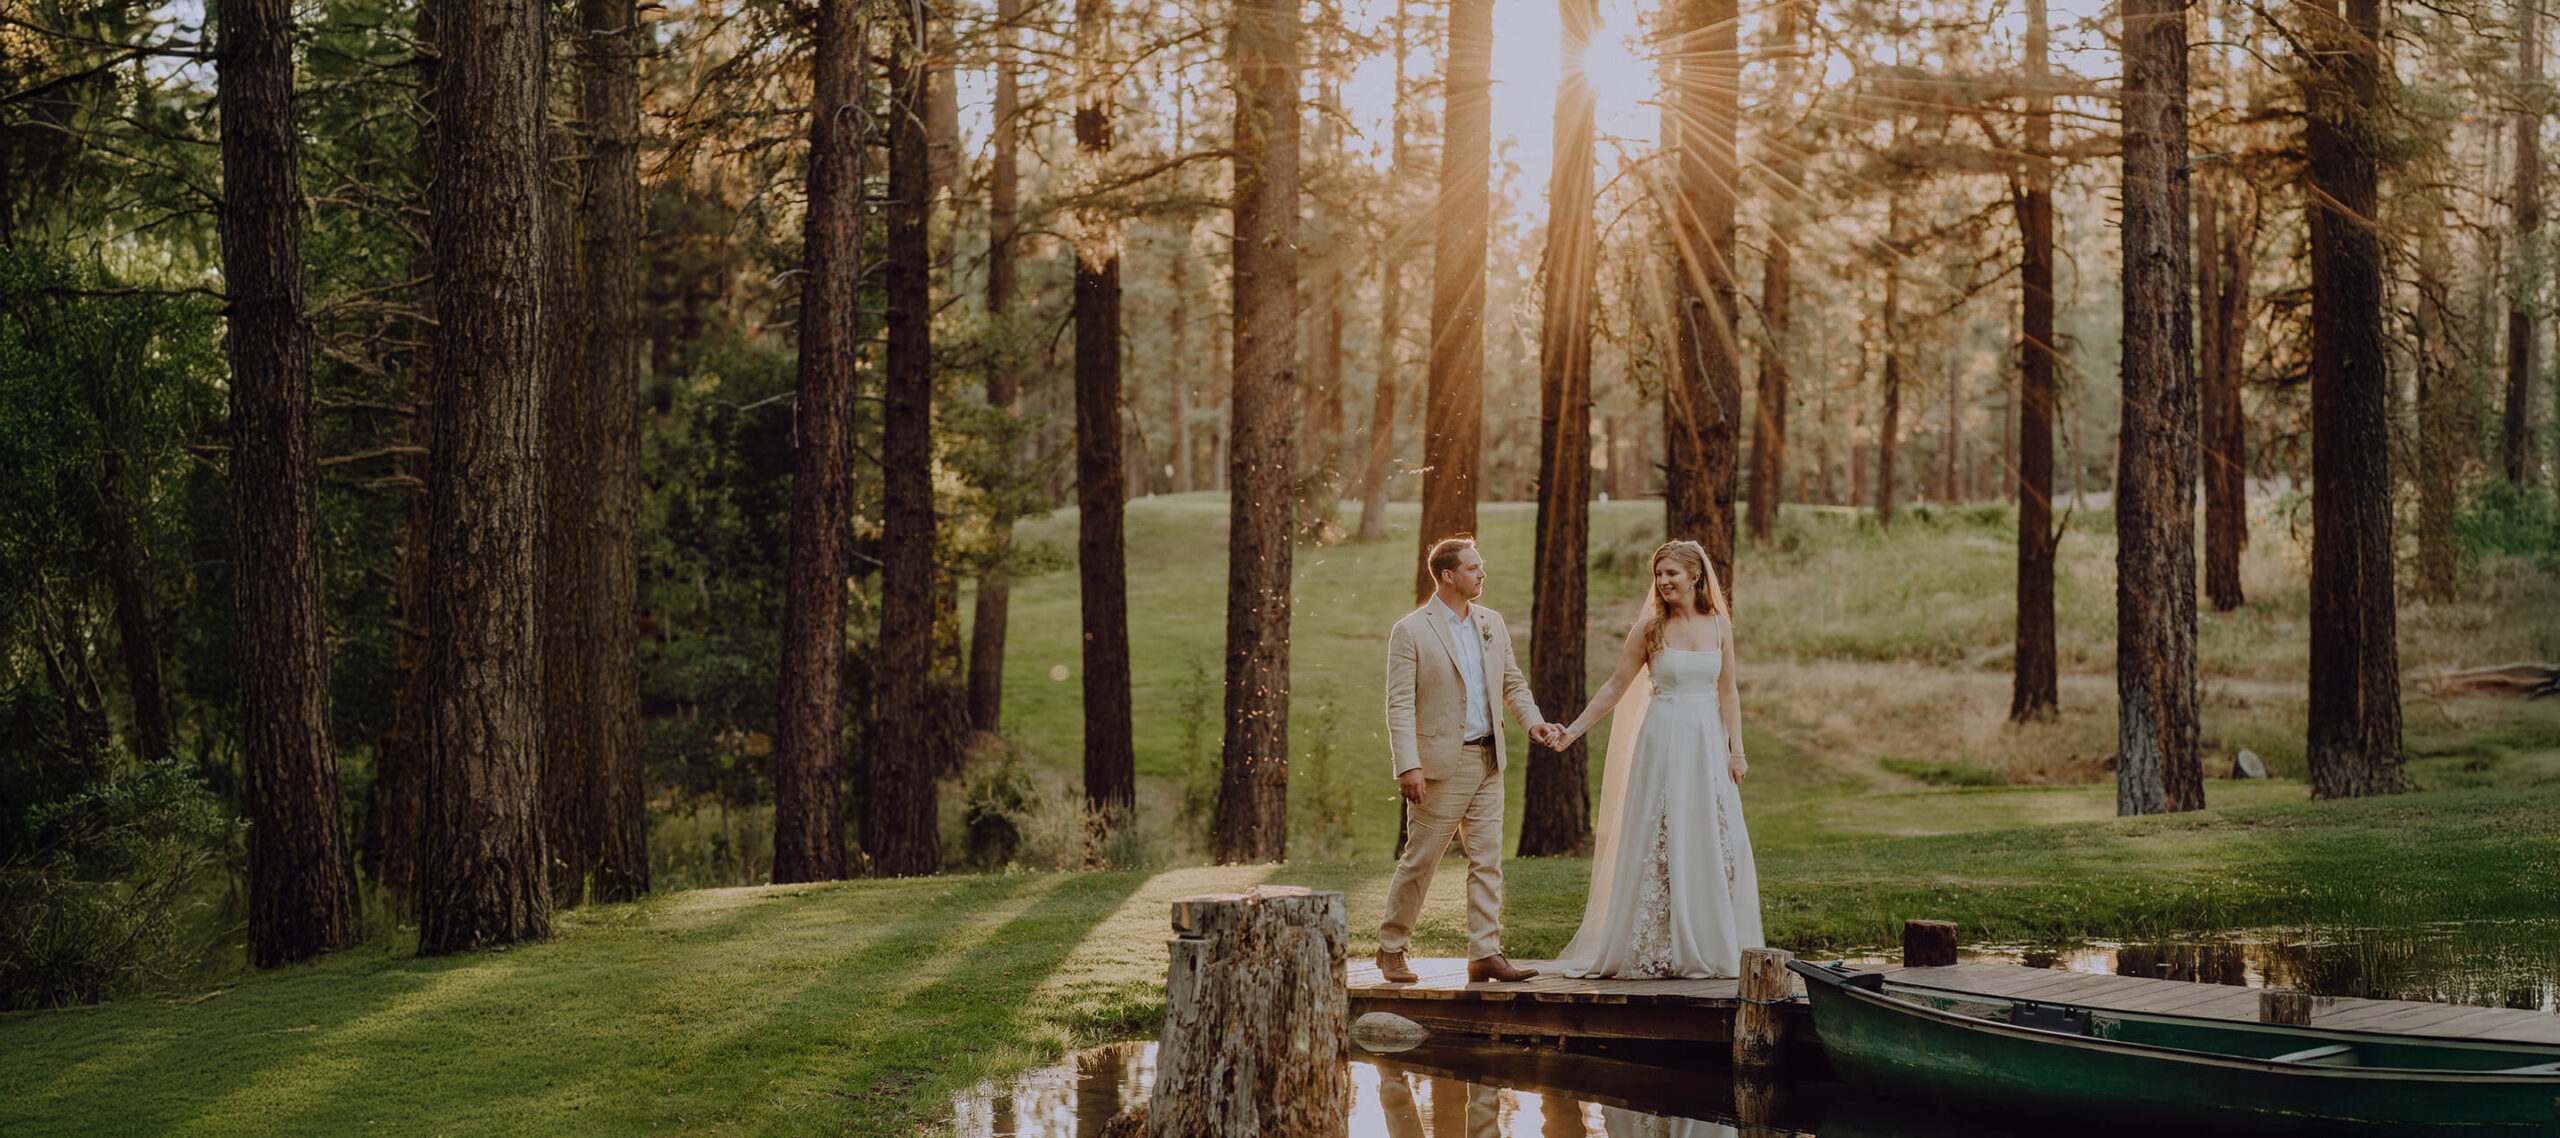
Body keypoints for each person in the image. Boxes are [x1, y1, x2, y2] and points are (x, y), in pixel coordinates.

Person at [1549, 539, 1764, 979]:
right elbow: (1615, 686)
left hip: (1707, 744)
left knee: (1718, 840)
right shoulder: (1649, 629)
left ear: (1695, 577)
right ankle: (1657, 945)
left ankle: (1710, 941)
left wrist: (1736, 751)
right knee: (1662, 840)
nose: (1663, 581)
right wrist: (1573, 730)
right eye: (1659, 574)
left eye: (1671, 573)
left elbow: (1728, 691)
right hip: (1663, 741)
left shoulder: (1720, 627)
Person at [1374, 536, 1565, 985]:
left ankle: (1484, 953)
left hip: (1489, 759)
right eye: (1473, 568)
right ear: (1448, 575)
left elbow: (1512, 683)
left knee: (1487, 861)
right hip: (1441, 765)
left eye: (1481, 566)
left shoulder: (1490, 622)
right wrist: (1408, 765)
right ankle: (1391, 948)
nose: (1482, 574)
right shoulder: (1411, 630)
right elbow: (1399, 704)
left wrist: (1534, 723)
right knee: (1421, 860)